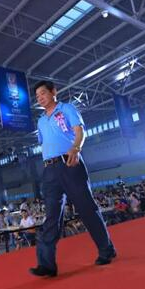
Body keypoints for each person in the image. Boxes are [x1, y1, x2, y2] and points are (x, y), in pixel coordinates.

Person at [29, 80, 117, 277]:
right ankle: (47, 264)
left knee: (87, 209)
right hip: (49, 170)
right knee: (51, 216)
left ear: (53, 92)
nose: (40, 98)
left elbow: (79, 132)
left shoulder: (67, 109)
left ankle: (106, 250)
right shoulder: (41, 121)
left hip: (70, 163)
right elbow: (45, 143)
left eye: (43, 93)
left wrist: (75, 148)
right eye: (37, 96)